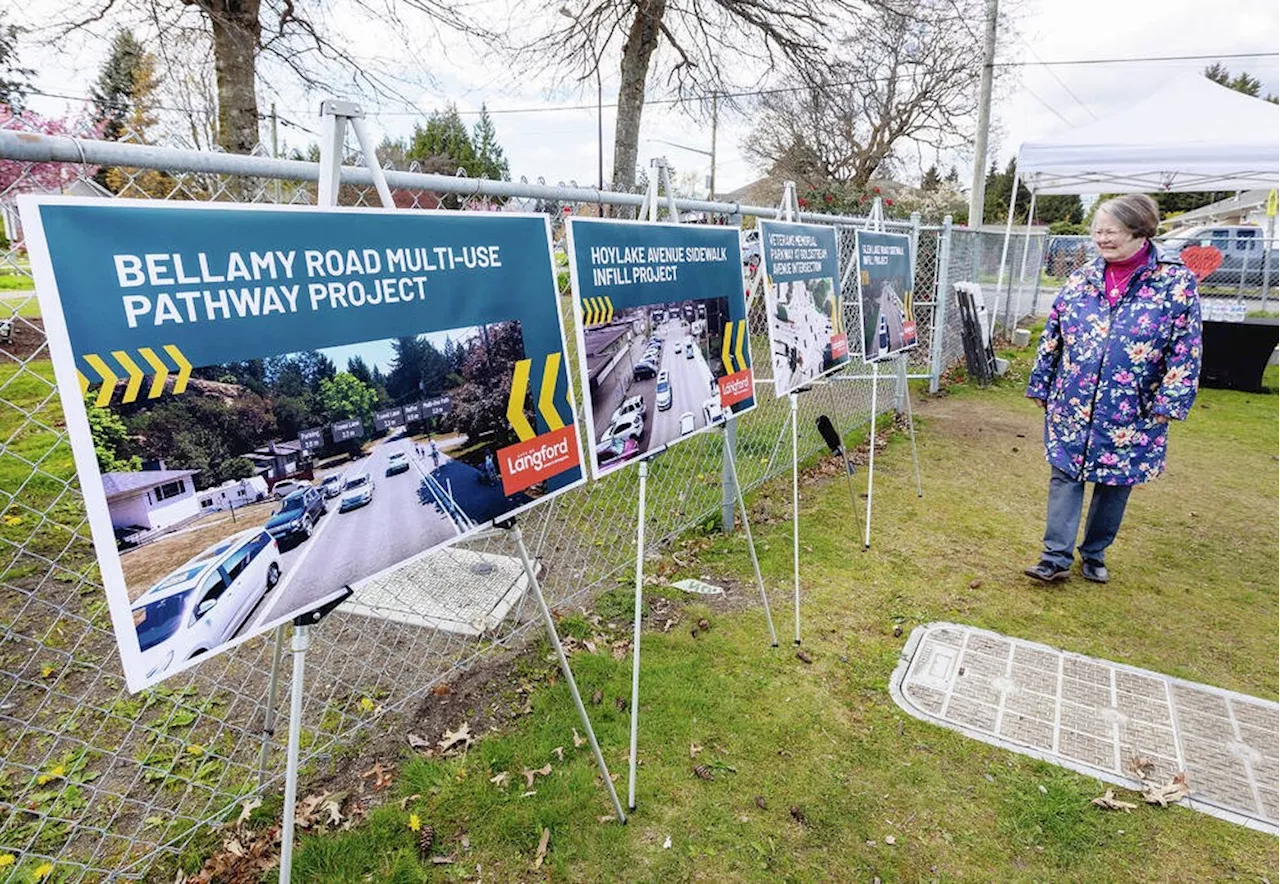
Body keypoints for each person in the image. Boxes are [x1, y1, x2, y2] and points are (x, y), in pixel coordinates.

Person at [1024, 194, 1203, 584]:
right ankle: (1054, 557)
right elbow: (1053, 333)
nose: (1101, 239)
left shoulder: (1174, 282)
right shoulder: (1082, 277)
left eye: (1110, 232)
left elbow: (1186, 348)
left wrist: (1169, 401)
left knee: (1115, 482)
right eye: (1097, 231)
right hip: (1073, 398)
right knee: (1064, 475)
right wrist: (1041, 381)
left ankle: (1094, 553)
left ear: (1141, 233)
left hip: (1131, 406)